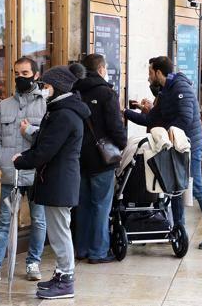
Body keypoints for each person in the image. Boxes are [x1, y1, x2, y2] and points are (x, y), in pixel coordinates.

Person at [125, 56, 202, 249]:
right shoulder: (166, 91)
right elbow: (152, 119)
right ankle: (178, 230)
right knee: (176, 188)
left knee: (196, 187)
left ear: (159, 73)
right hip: (174, 145)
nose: (148, 77)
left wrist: (165, 135)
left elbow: (185, 118)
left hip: (189, 146)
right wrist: (125, 113)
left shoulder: (180, 87)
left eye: (150, 72)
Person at [13, 64, 90, 300]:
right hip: (57, 180)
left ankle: (66, 279)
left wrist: (22, 160)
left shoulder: (64, 114)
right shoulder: (60, 111)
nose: (43, 90)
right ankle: (61, 273)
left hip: (59, 181)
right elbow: (46, 142)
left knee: (59, 232)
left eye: (45, 86)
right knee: (58, 230)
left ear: (55, 87)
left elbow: (46, 149)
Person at [0, 57, 47, 285]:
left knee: (38, 220)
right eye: (17, 73)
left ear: (36, 75)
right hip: (11, 172)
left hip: (37, 173)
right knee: (4, 222)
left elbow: (48, 139)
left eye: (25, 73)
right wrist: (1, 159)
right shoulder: (4, 105)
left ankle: (33, 262)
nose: (20, 77)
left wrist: (30, 131)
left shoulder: (46, 104)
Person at [73, 54, 127, 264]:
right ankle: (99, 251)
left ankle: (82, 249)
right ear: (102, 69)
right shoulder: (107, 93)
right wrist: (124, 146)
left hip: (78, 157)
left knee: (83, 204)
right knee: (101, 205)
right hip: (102, 158)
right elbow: (115, 127)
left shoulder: (74, 91)